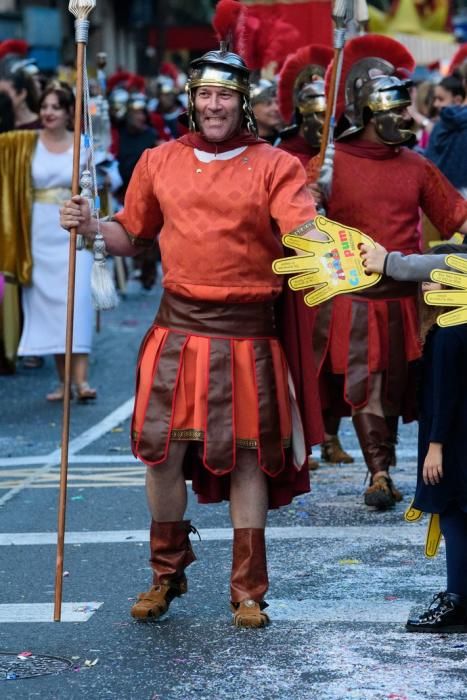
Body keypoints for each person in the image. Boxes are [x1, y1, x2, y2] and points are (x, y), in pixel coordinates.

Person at [60, 43, 321, 628]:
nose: (213, 105)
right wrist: (90, 227)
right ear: (191, 100)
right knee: (160, 455)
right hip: (177, 332)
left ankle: (249, 590)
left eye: (224, 94)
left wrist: (319, 231)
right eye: (204, 94)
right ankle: (166, 573)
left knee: (251, 462)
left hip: (250, 335)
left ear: (242, 101)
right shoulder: (158, 160)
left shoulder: (278, 166)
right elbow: (131, 233)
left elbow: (301, 231)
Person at [307, 34, 467, 510]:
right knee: (368, 386)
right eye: (393, 109)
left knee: (398, 390)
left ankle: (386, 464)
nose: (403, 118)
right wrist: (315, 193)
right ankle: (379, 472)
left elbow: (457, 215)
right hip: (354, 298)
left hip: (409, 298)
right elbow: (301, 224)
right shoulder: (328, 162)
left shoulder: (416, 166)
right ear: (366, 112)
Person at [363, 242, 467, 632]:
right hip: (454, 440)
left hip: (453, 444)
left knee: (454, 513)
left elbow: (446, 397)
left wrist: (435, 447)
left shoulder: (448, 333)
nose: (424, 288)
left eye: (432, 281)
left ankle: (457, 600)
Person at [277, 43, 354, 469]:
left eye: (323, 119)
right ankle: (298, 436)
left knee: (335, 354)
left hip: (335, 260)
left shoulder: (342, 150)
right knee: (300, 351)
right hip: (294, 266)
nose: (316, 125)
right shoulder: (280, 153)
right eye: (310, 117)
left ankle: (331, 435)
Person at [0, 81, 96, 401]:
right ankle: (63, 383)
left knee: (77, 303)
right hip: (38, 232)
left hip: (73, 231)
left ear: (70, 112)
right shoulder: (24, 144)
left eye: (56, 107)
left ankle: (82, 381)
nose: (48, 112)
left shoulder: (85, 145)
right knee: (51, 308)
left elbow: (93, 191)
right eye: (45, 107)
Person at [250, 79, 283, 144]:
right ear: (251, 108)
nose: (277, 109)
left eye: (277, 103)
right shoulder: (240, 144)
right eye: (268, 104)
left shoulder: (286, 141)